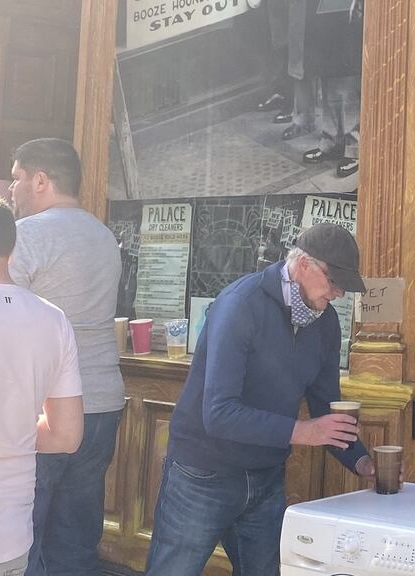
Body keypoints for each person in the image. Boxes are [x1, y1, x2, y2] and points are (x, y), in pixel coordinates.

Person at [145, 223, 376, 576]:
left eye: (344, 286)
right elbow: (219, 413)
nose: (339, 294)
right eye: (334, 281)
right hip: (203, 472)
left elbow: (326, 408)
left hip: (265, 475)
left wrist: (362, 462)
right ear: (304, 265)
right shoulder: (240, 304)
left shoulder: (327, 323)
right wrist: (303, 432)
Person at [7, 138, 125, 576]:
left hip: (47, 408)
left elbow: (0, 315)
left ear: (40, 180)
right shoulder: (104, 235)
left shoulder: (26, 234)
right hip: (103, 402)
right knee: (75, 542)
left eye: (17, 178)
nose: (12, 190)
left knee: (24, 539)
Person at [0, 193, 84, 576]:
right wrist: (11, 432)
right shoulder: (53, 320)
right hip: (9, 537)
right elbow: (66, 435)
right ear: (11, 248)